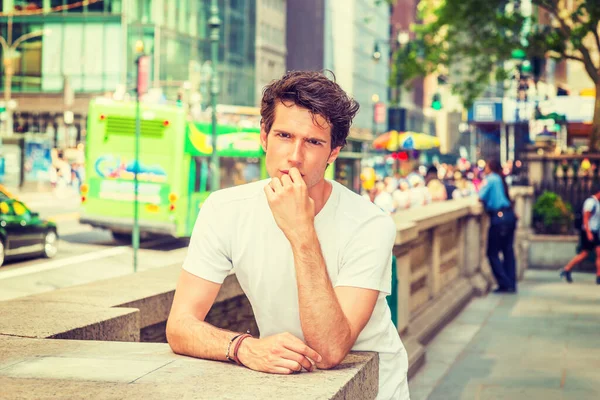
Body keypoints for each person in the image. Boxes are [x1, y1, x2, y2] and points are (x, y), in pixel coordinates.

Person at [166, 70, 409, 399]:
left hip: (370, 388)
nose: (295, 156)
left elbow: (330, 349)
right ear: (264, 137)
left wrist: (302, 232)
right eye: (284, 135)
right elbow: (179, 325)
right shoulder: (224, 209)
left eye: (313, 142)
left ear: (333, 153)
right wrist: (242, 347)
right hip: (284, 382)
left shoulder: (370, 224)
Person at [479, 159, 518, 293]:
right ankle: (511, 283)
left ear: (490, 167)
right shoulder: (501, 179)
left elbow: (481, 196)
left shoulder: (491, 179)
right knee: (508, 251)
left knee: (492, 253)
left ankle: (504, 282)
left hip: (499, 218)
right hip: (509, 216)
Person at [560, 190, 600, 284]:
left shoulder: (597, 203)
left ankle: (567, 269)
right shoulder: (590, 202)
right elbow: (585, 218)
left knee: (590, 253)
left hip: (594, 231)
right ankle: (567, 269)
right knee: (585, 254)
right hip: (588, 231)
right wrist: (588, 232)